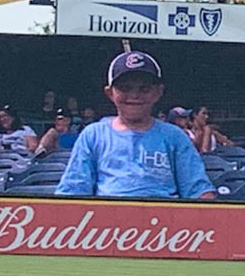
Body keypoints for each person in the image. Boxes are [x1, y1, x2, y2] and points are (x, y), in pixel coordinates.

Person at [56, 50, 215, 199]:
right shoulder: (93, 135)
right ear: (110, 93)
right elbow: (73, 192)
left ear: (158, 92)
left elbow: (199, 192)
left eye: (144, 89)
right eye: (125, 88)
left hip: (166, 224)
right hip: (107, 224)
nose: (134, 95)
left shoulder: (174, 136)